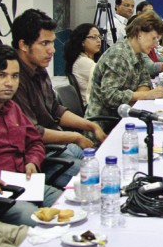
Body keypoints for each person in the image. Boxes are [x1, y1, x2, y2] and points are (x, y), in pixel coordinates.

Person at [11, 9, 102, 159]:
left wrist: (91, 125)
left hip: (58, 143)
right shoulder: (14, 79)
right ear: (24, 45)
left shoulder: (39, 69)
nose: (52, 50)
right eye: (44, 43)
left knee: (101, 160)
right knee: (93, 170)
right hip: (39, 154)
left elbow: (55, 109)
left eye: (52, 42)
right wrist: (75, 137)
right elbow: (32, 132)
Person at [0, 45, 62, 226]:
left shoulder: (13, 108)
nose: (9, 83)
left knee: (68, 205)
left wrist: (32, 161)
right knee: (42, 223)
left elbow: (35, 142)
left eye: (14, 76)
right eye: (1, 75)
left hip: (25, 183)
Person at [85, 11, 163, 124]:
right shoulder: (118, 55)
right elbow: (110, 96)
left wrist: (139, 96)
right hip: (104, 123)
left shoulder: (138, 53)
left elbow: (145, 82)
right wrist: (145, 95)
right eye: (154, 38)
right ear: (140, 34)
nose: (155, 45)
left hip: (124, 116)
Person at [63, 23, 101, 106]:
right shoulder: (83, 62)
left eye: (99, 37)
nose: (98, 40)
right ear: (82, 41)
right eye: (93, 37)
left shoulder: (88, 59)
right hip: (92, 107)